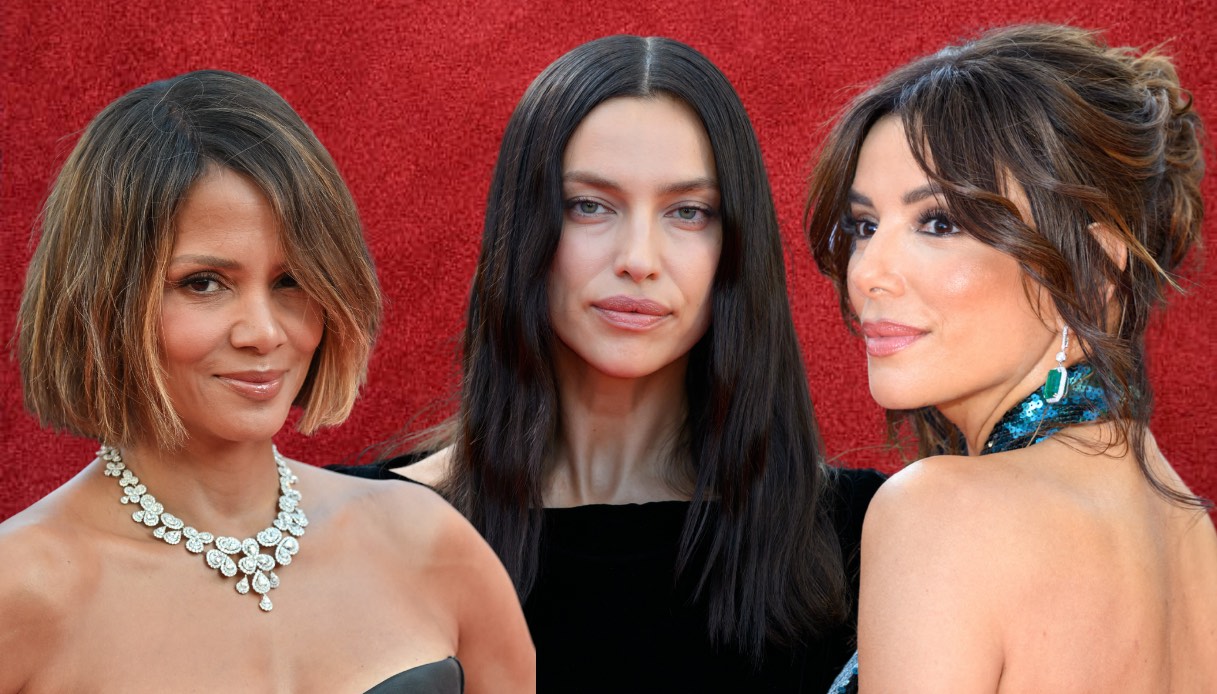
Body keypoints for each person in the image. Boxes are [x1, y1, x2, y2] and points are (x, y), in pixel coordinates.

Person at [333, 35, 884, 692]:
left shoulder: (869, 538)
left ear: (736, 246)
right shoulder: (349, 531)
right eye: (589, 205)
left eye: (688, 212)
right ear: (523, 226)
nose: (638, 258)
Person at [1, 70, 534, 693]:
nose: (263, 332)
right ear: (103, 302)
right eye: (203, 283)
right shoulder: (23, 588)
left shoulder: (429, 538)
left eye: (292, 281)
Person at [804, 24, 1217, 692]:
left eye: (939, 223)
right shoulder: (1185, 526)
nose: (867, 272)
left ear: (1093, 271)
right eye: (864, 226)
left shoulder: (938, 513)